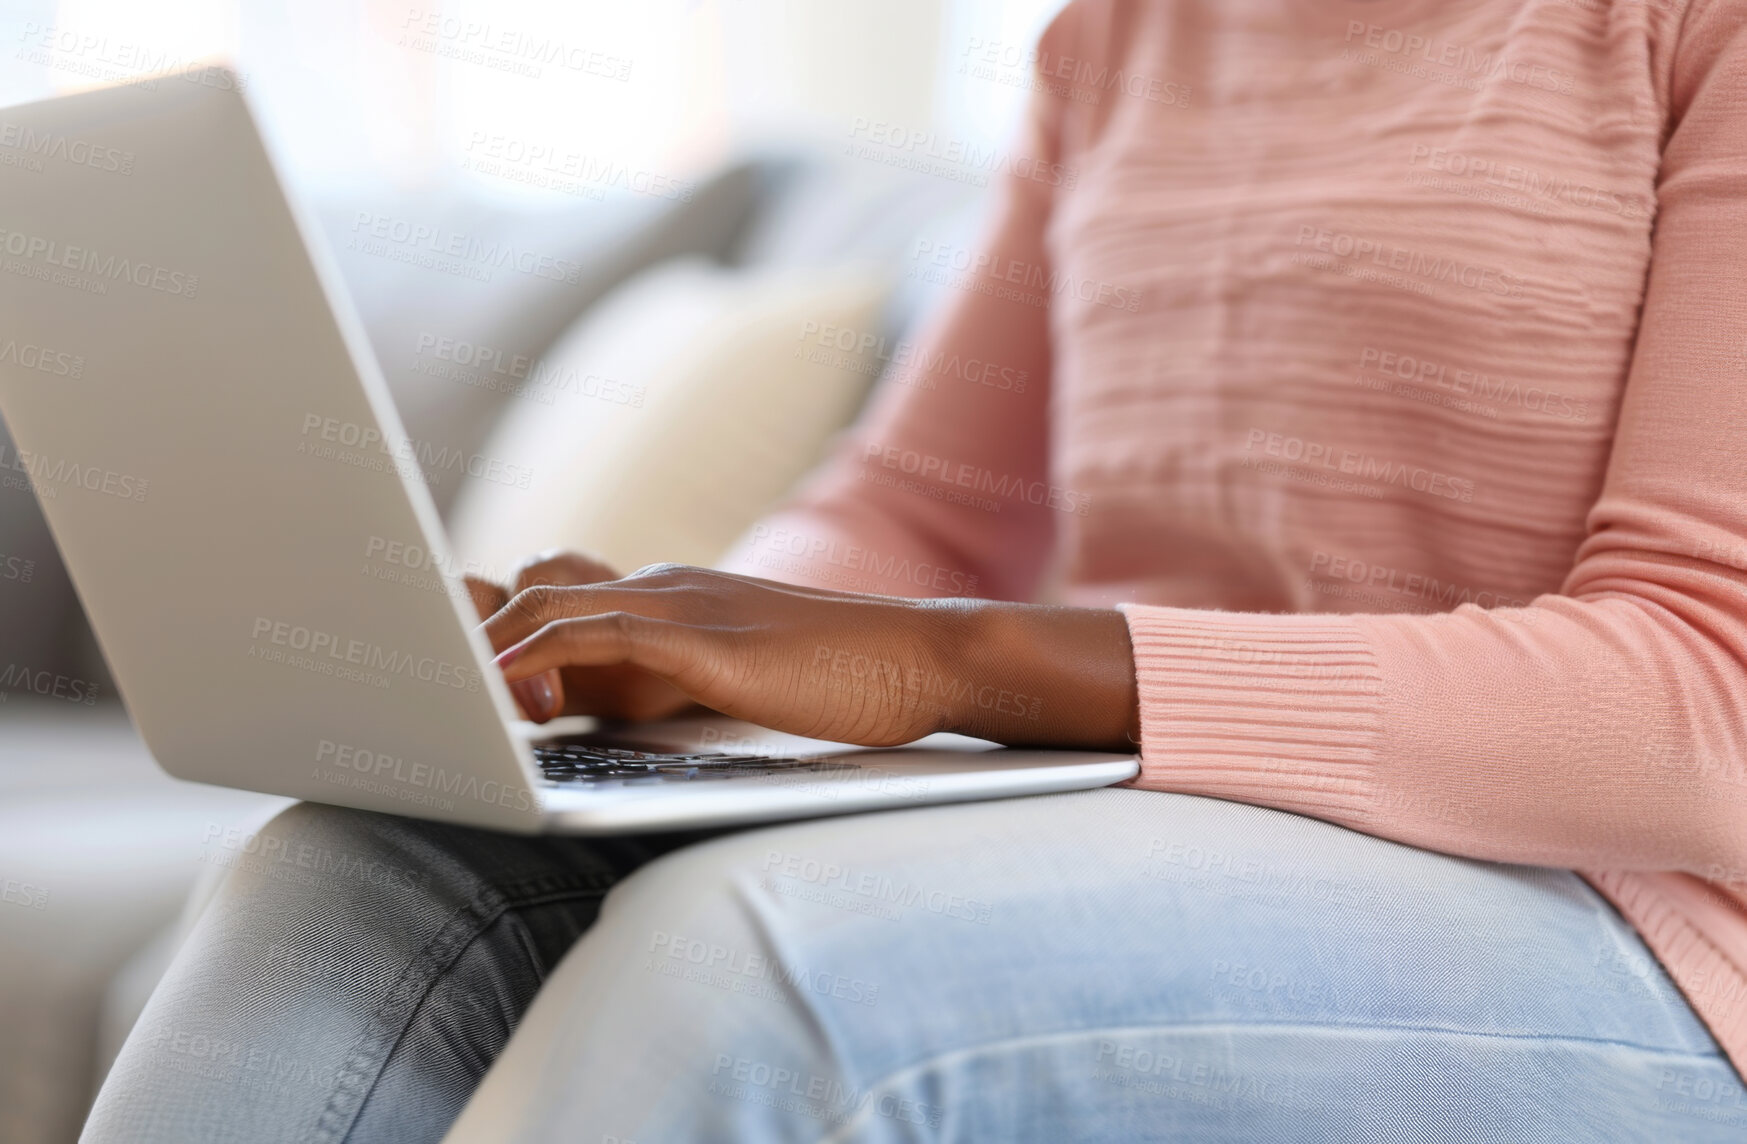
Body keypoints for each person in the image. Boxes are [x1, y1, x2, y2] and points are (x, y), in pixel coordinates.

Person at [84, 0, 1747, 1140]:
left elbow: (1705, 707)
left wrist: (948, 664)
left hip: (1630, 921)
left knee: (764, 958)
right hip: (1139, 816)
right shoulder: (1128, 36)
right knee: (369, 864)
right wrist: (682, 650)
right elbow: (921, 512)